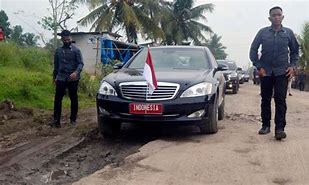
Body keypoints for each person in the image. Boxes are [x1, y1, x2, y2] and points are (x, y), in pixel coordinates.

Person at [249, 6, 299, 140]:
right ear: (269, 18)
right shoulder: (262, 33)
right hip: (265, 72)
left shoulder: (288, 33)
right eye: (274, 15)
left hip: (282, 72)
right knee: (265, 99)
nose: (276, 17)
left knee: (280, 100)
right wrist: (259, 67)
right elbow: (253, 50)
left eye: (279, 15)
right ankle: (265, 125)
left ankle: (280, 129)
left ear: (282, 17)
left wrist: (292, 66)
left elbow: (295, 52)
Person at [50, 30, 84, 128]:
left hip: (73, 78)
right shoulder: (58, 51)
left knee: (73, 98)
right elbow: (56, 66)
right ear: (62, 40)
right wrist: (54, 77)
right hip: (61, 77)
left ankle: (73, 119)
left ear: (71, 39)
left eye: (68, 39)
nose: (66, 41)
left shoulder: (76, 50)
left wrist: (76, 72)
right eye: (65, 40)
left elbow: (81, 64)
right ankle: (56, 121)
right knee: (57, 99)